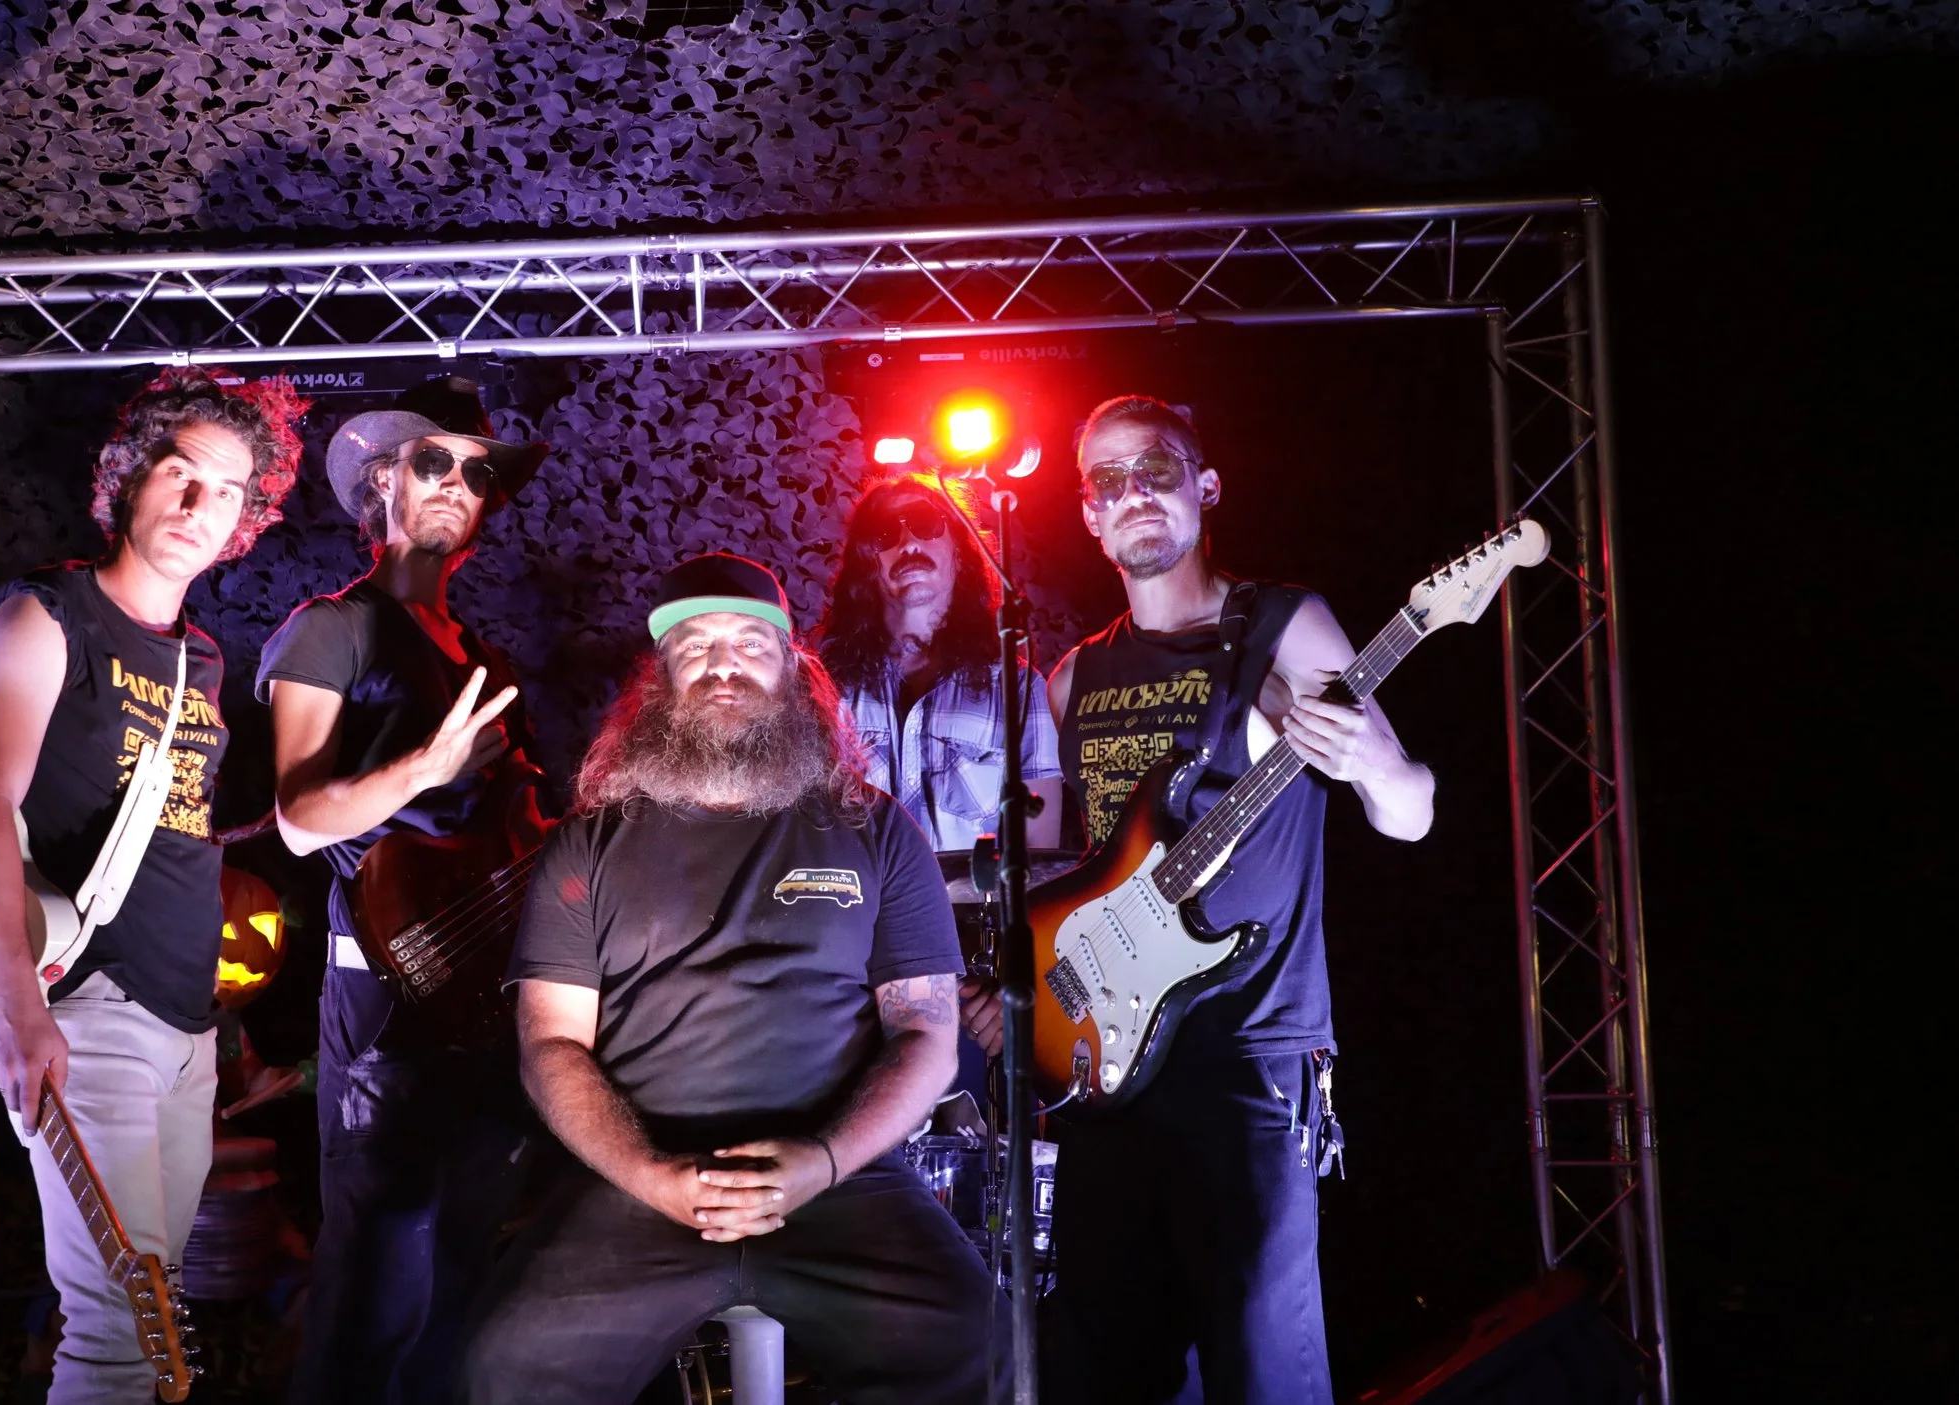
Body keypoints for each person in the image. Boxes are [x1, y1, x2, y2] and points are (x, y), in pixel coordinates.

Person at [463, 553, 1004, 1405]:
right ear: (660, 679)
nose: (723, 665)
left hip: (843, 1180)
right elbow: (551, 1042)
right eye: (695, 646)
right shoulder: (588, 843)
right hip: (637, 1183)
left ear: (792, 669)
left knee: (978, 1340)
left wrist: (821, 1162)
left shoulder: (874, 828)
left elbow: (927, 1035)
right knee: (502, 1365)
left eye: (750, 643)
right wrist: (650, 1175)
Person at [1028, 396, 1435, 1405]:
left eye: (1155, 466)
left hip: (1248, 1052)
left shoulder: (1281, 623)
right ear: (1086, 515)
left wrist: (1375, 761)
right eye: (1107, 480)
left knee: (1260, 1358)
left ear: (1205, 486)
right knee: (1109, 1365)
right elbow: (1048, 859)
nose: (1132, 493)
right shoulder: (1070, 675)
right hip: (1103, 1053)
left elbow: (1410, 814)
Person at [0, 367, 304, 1402]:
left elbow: (182, 841)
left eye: (230, 490)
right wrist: (18, 1006)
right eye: (180, 473)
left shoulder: (202, 656)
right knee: (120, 1323)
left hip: (188, 1027)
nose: (201, 506)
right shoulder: (46, 613)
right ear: (128, 475)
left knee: (152, 1337)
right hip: (86, 1004)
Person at [259, 378, 548, 1404]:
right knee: (378, 1273)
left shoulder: (479, 655)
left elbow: (518, 836)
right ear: (382, 480)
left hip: (488, 997)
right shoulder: (328, 630)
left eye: (478, 472)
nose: (460, 484)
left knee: (464, 1275)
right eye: (437, 461)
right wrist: (420, 770)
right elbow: (297, 817)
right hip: (386, 994)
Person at [816, 471, 1064, 1104]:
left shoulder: (1019, 687)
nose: (909, 544)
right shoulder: (820, 694)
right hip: (849, 971)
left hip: (973, 978)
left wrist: (1007, 982)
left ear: (959, 547)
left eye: (927, 526)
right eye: (886, 534)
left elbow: (1039, 864)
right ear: (867, 563)